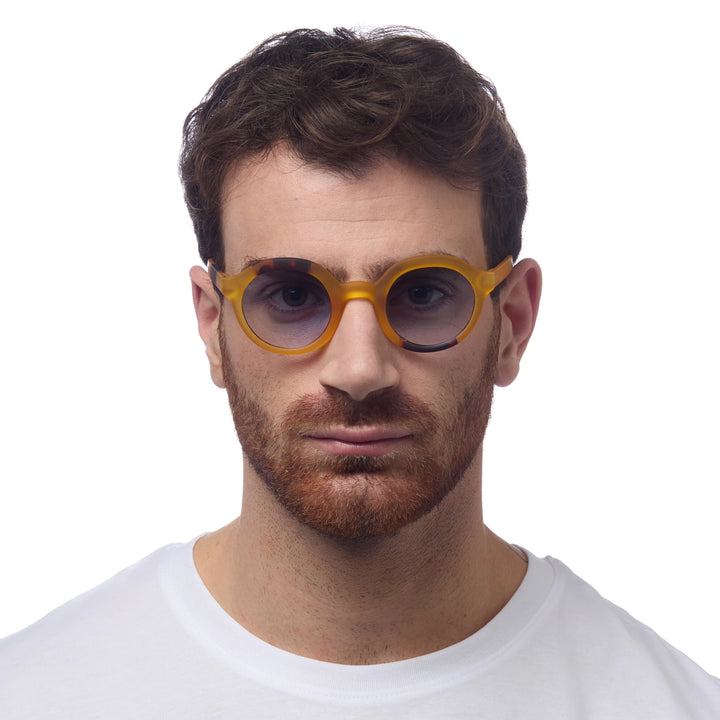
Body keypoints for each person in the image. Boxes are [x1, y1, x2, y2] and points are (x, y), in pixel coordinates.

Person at [1, 26, 718, 719]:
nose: (359, 369)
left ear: (513, 322)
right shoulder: (32, 695)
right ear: (213, 326)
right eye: (292, 295)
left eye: (424, 293)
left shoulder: (675, 706)